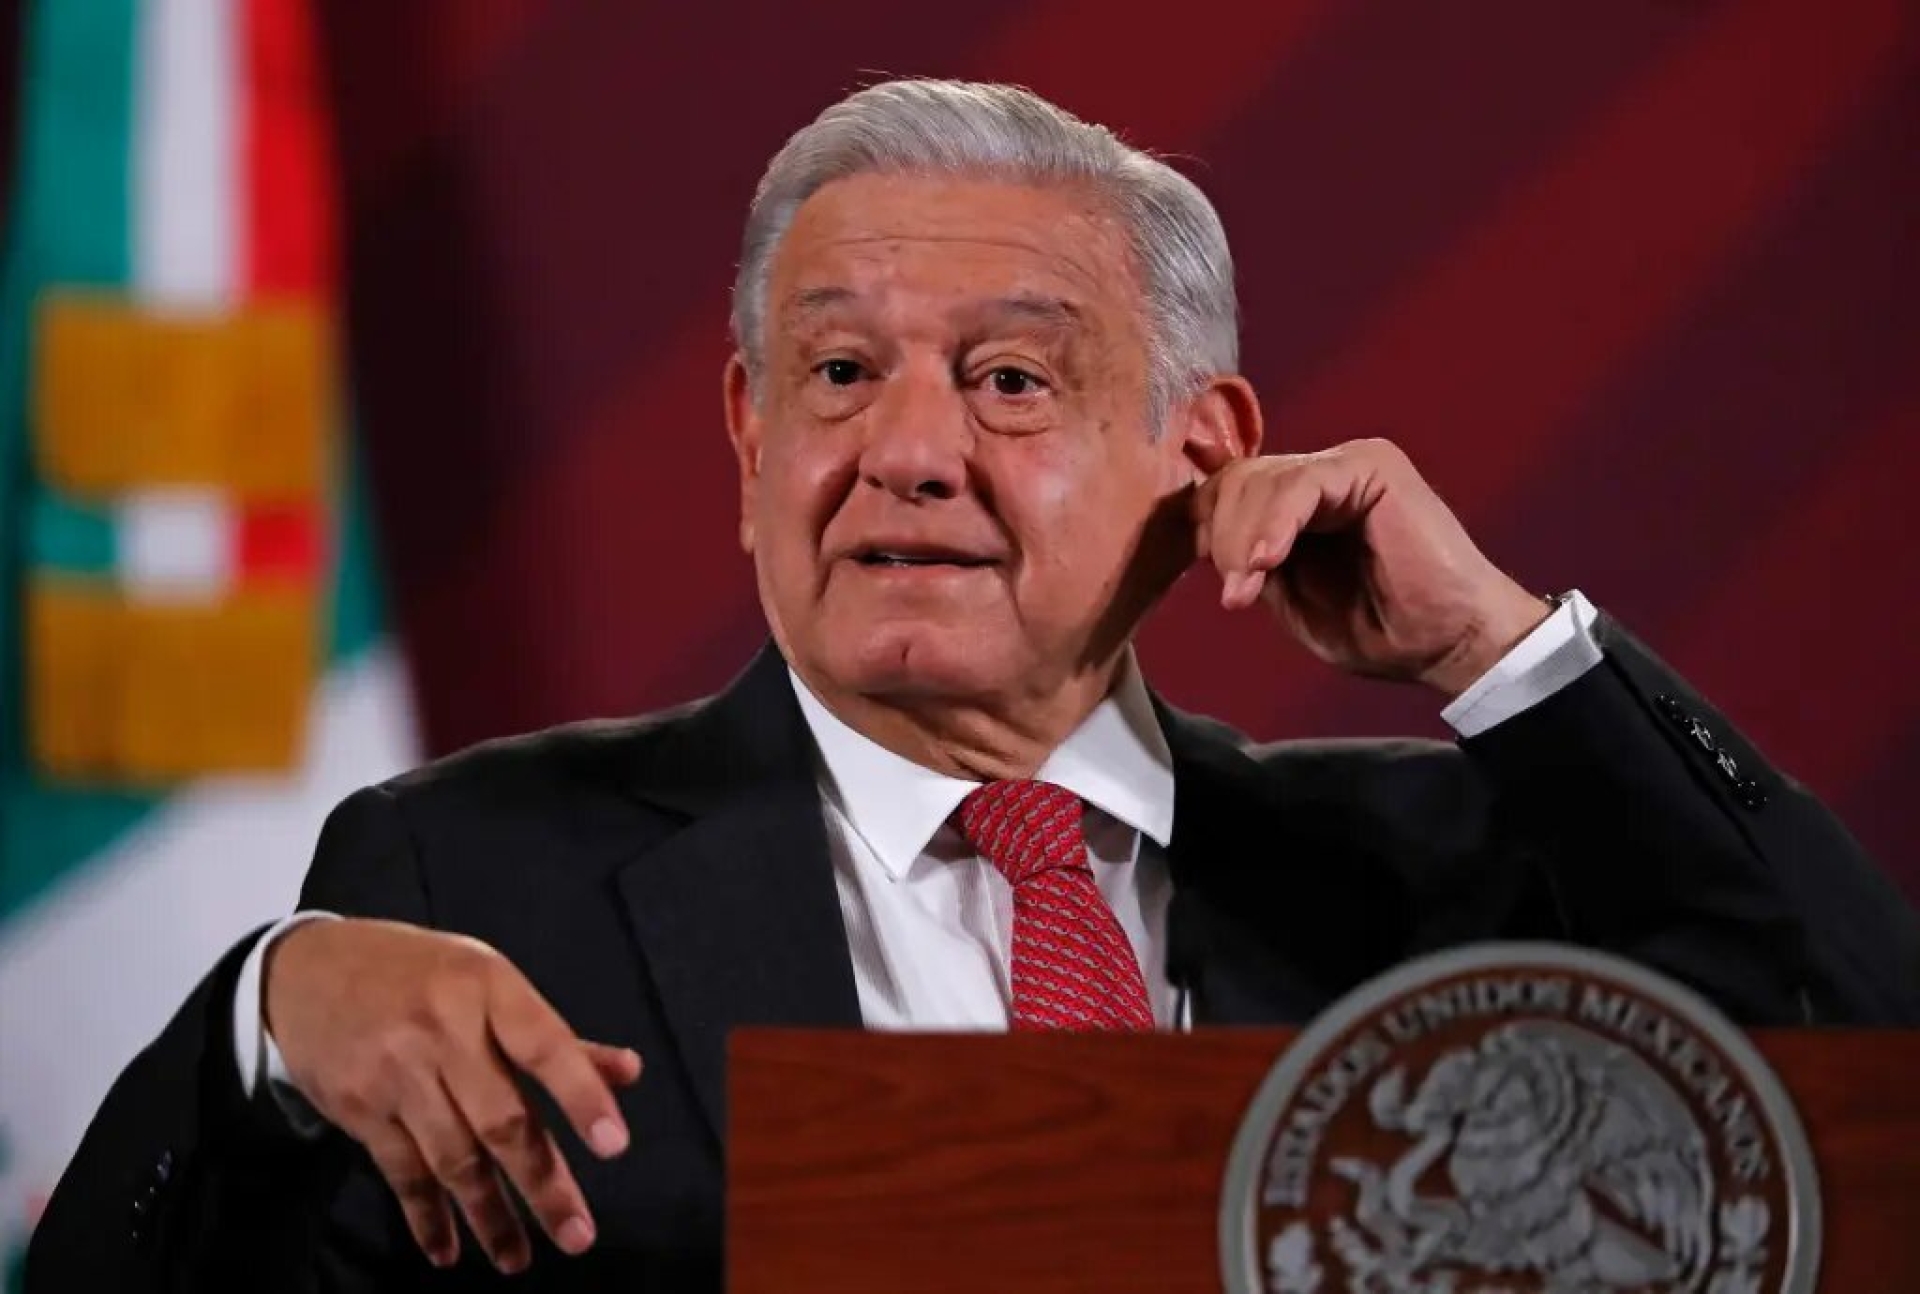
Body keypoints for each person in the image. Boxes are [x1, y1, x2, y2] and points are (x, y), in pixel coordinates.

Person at [27, 79, 1919, 1293]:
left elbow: (1863, 1063)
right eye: (841, 375)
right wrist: (257, 1033)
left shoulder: (1439, 878)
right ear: (752, 435)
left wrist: (1499, 647)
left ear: (1203, 447)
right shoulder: (476, 879)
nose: (909, 452)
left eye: (1012, 379)